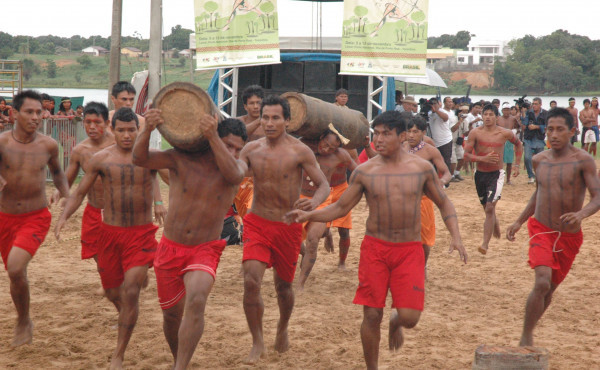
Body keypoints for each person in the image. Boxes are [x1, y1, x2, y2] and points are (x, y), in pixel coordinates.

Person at [284, 110, 467, 370]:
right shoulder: (365, 172)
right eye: (376, 134)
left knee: (410, 317)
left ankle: (396, 321)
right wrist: (309, 214)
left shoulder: (422, 169)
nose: (378, 139)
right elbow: (340, 208)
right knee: (371, 313)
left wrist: (456, 236)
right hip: (375, 249)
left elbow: (444, 203)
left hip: (408, 250)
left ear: (402, 136)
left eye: (385, 134)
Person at [133, 110, 247, 370]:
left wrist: (215, 139)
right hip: (170, 248)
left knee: (196, 299)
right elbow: (139, 158)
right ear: (211, 140)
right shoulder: (180, 158)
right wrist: (147, 129)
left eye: (238, 149)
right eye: (228, 144)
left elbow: (234, 174)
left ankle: (180, 367)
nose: (233, 152)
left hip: (205, 249)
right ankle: (178, 359)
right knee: (172, 316)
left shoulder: (237, 168)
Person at [55, 108, 159, 369]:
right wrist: (63, 217)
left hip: (141, 232)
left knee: (132, 288)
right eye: (121, 130)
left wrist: (160, 202)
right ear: (112, 129)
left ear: (139, 130)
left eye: (131, 130)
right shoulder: (100, 159)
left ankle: (119, 354)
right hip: (110, 234)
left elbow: (171, 175)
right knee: (113, 291)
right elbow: (79, 193)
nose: (126, 135)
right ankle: (128, 313)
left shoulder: (149, 158)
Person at [238, 95, 329, 364]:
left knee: (283, 287)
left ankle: (282, 327)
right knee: (251, 280)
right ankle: (257, 341)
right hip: (257, 222)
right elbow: (234, 175)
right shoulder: (251, 150)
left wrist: (313, 202)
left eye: (275, 118)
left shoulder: (300, 151)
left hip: (288, 225)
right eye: (265, 117)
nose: (269, 123)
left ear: (287, 121)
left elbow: (323, 185)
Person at [506, 108, 600, 346]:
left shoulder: (583, 161)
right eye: (550, 129)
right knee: (541, 281)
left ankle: (531, 326)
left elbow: (597, 197)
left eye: (560, 129)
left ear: (572, 131)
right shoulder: (540, 160)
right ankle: (526, 337)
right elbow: (539, 193)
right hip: (541, 228)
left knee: (550, 289)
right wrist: (519, 221)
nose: (554, 134)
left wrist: (581, 214)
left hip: (569, 236)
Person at [0, 90, 69, 346]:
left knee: (17, 267)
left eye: (39, 112)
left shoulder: (48, 145)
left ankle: (23, 319)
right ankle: (24, 315)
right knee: (15, 275)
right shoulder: (3, 143)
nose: (36, 117)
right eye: (29, 112)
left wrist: (65, 193)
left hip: (35, 216)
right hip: (4, 218)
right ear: (14, 113)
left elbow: (58, 172)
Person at [298, 125, 357, 288]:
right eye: (325, 144)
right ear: (321, 137)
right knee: (294, 241)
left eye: (332, 147)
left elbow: (358, 171)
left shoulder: (341, 155)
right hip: (299, 199)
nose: (326, 149)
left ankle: (301, 283)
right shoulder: (303, 146)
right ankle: (325, 234)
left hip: (322, 199)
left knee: (312, 240)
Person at [463, 104, 523, 255]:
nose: (488, 117)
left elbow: (519, 144)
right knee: (487, 208)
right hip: (480, 174)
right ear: (482, 116)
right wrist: (482, 158)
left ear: (496, 117)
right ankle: (494, 221)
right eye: (485, 114)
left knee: (489, 207)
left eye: (491, 114)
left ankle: (485, 244)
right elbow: (466, 155)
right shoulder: (475, 133)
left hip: (496, 174)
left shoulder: (504, 133)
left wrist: (516, 165)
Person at [405, 115, 451, 274]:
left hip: (423, 199)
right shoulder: (400, 148)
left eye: (415, 132)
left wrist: (441, 182)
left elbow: (446, 172)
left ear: (423, 133)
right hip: (402, 199)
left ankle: (422, 267)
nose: (411, 135)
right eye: (409, 131)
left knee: (424, 238)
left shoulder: (430, 151)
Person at [323, 147, 360, 270]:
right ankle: (327, 233)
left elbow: (358, 171)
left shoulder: (349, 150)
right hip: (323, 190)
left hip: (342, 188)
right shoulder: (319, 147)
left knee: (344, 231)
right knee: (322, 229)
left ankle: (342, 262)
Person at [234, 85, 265, 220]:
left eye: (259, 103)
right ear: (245, 106)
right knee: (245, 218)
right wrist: (259, 121)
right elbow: (240, 135)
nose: (256, 106)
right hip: (240, 180)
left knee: (252, 213)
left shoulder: (270, 125)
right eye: (251, 103)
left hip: (262, 180)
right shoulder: (238, 122)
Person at [523, 98, 548, 184]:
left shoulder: (545, 113)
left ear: (540, 104)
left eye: (536, 104)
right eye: (533, 104)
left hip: (539, 138)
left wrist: (537, 127)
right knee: (527, 157)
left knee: (539, 159)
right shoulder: (528, 112)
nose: (534, 105)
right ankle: (531, 176)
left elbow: (548, 126)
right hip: (528, 138)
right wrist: (522, 112)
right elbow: (524, 124)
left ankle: (539, 176)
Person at [428, 97, 453, 174]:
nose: (433, 105)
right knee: (434, 160)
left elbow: (445, 118)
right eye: (431, 104)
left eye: (435, 103)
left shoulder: (442, 111)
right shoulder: (429, 113)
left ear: (439, 103)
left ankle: (447, 180)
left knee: (446, 160)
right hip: (435, 141)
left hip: (445, 141)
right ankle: (435, 178)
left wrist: (437, 111)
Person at [498, 102, 521, 184]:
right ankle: (498, 178)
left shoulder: (513, 119)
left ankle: (508, 179)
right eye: (505, 110)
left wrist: (514, 131)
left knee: (509, 161)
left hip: (509, 141)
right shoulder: (498, 118)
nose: (506, 112)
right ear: (502, 110)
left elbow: (518, 128)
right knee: (499, 160)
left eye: (508, 110)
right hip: (500, 140)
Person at [450, 104, 469, 181]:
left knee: (462, 157)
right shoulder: (453, 119)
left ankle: (456, 173)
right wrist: (460, 121)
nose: (464, 114)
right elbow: (452, 129)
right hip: (451, 141)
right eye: (463, 112)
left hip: (458, 141)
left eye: (466, 112)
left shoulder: (466, 121)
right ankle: (451, 176)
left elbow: (465, 133)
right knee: (453, 160)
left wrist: (470, 129)